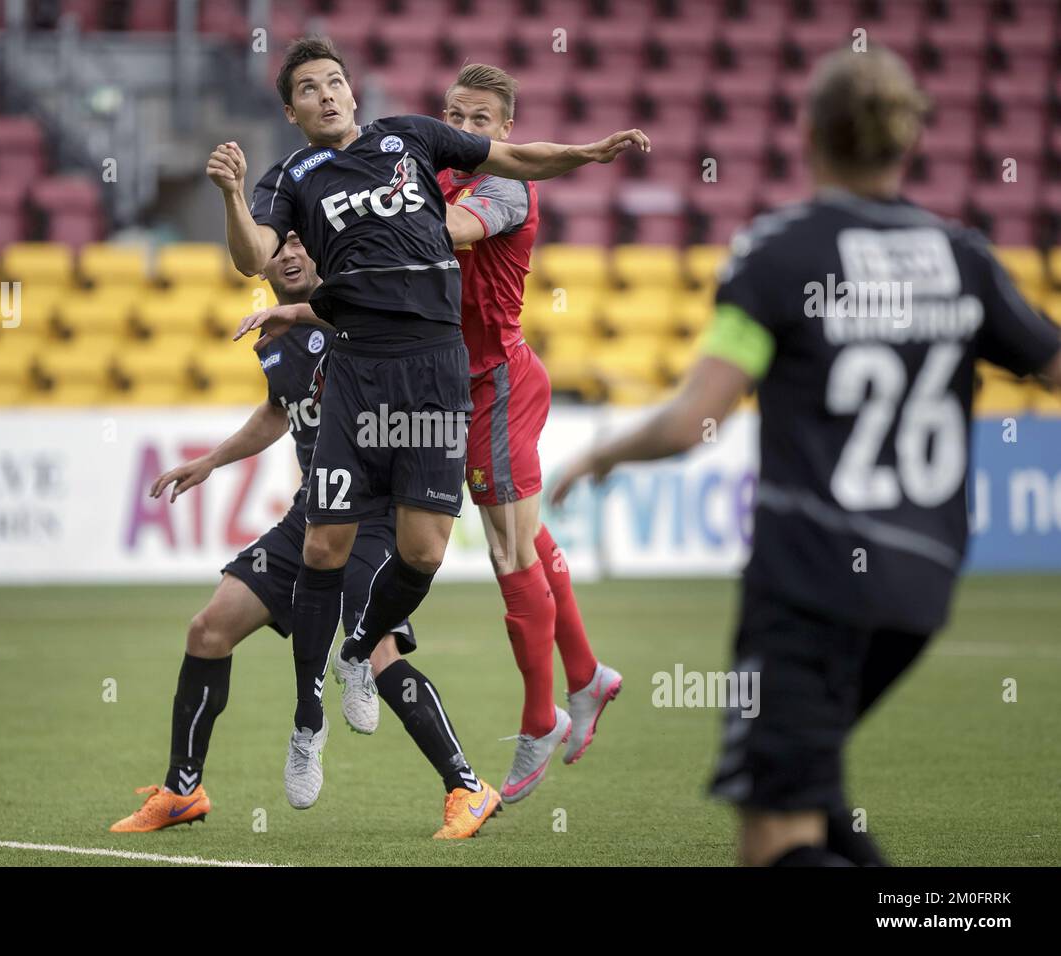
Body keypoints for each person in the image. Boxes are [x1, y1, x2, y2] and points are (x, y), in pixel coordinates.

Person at [551, 46, 1061, 865]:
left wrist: (598, 455)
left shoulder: (780, 254)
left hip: (811, 577)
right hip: (922, 581)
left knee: (774, 835)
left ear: (808, 133)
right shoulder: (961, 257)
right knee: (814, 796)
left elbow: (694, 419)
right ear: (909, 141)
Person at [220, 35, 649, 837]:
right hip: (363, 373)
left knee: (441, 552)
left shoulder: (422, 149)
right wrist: (249, 216)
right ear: (292, 108)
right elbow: (262, 257)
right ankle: (319, 717)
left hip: (456, 377)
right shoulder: (300, 176)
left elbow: (478, 194)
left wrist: (589, 153)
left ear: (354, 91)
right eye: (308, 88)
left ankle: (403, 660)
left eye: (336, 81)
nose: (327, 94)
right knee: (343, 547)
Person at [109, 232, 413, 831]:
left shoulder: (357, 316)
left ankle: (463, 782)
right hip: (309, 516)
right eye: (280, 245)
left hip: (368, 519)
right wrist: (212, 460)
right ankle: (182, 791)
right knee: (208, 631)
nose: (292, 253)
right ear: (261, 260)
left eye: (303, 240)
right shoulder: (274, 341)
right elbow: (280, 410)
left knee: (378, 655)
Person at [437, 63, 621, 803]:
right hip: (462, 384)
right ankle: (587, 674)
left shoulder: (502, 186)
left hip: (500, 382)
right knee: (530, 539)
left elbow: (449, 232)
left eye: (481, 119)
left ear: (506, 130)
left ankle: (538, 717)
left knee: (509, 550)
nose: (466, 128)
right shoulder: (437, 173)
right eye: (455, 114)